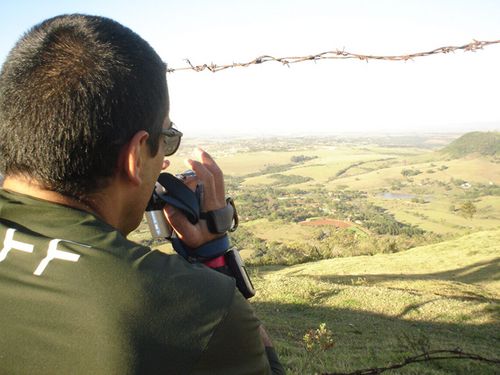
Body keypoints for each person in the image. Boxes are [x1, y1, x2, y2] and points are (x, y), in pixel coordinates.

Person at [0, 14, 285, 375]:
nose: (164, 161)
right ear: (135, 156)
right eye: (167, 138)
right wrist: (213, 254)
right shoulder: (198, 309)